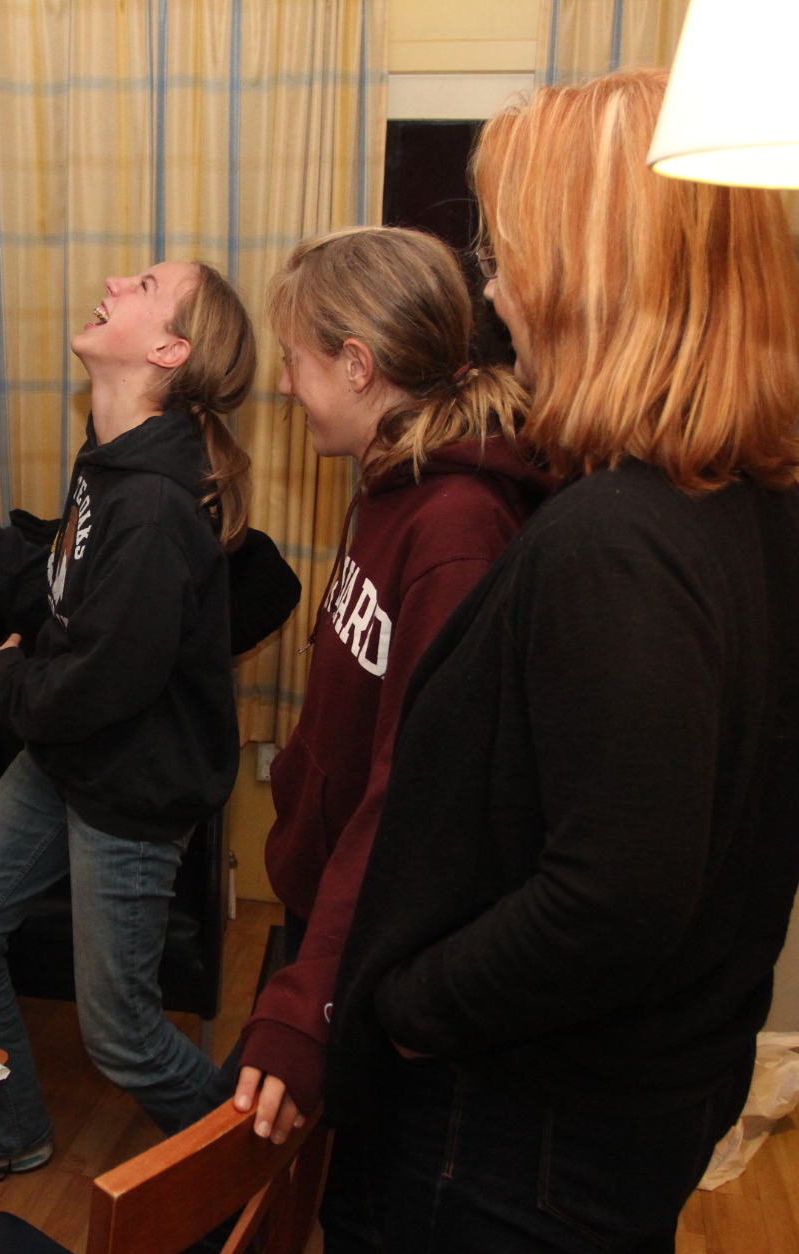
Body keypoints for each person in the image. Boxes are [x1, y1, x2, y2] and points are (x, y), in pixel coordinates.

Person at [322, 69, 799, 1254]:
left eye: (510, 257)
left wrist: (409, 1011)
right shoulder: (775, 514)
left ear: (591, 281)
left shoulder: (613, 539)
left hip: (514, 1139)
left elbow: (612, 898)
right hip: (647, 1105)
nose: (494, 292)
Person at [0, 261, 253, 1172]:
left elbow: (95, 684)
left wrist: (1, 677)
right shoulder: (108, 463)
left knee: (123, 1037)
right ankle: (15, 1132)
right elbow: (69, 603)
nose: (113, 280)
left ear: (169, 351)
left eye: (144, 284)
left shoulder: (153, 506)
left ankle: (249, 1169)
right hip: (70, 759)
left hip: (129, 790)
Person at [227, 226, 550, 1145]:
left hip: (370, 931)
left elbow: (414, 790)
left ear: (358, 365)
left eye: (295, 359)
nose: (283, 384)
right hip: (330, 904)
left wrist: (310, 1002)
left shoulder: (456, 529)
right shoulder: (389, 476)